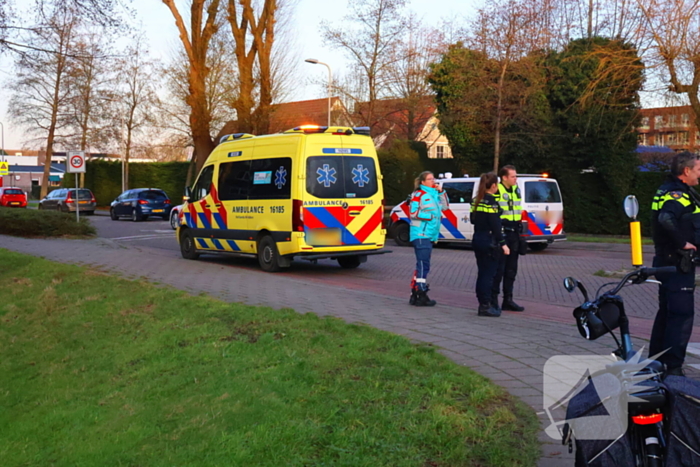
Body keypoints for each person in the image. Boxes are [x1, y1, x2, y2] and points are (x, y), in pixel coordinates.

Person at [649, 151, 700, 377]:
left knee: (667, 313)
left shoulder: (669, 190)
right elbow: (666, 219)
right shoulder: (677, 194)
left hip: (667, 262)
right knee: (681, 315)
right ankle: (673, 368)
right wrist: (684, 243)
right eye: (698, 170)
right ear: (686, 171)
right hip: (677, 263)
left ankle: (656, 361)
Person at [471, 172, 510, 317]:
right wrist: (504, 244)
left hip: (478, 238)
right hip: (489, 241)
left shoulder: (476, 200)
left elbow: (473, 219)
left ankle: (482, 303)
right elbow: (495, 226)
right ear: (494, 185)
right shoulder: (492, 203)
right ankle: (485, 306)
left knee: (482, 273)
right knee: (489, 275)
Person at [408, 171, 449, 307]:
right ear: (422, 182)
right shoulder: (419, 195)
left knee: (423, 264)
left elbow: (445, 207)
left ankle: (415, 293)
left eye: (434, 178)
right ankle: (420, 292)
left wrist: (442, 192)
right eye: (430, 179)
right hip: (421, 234)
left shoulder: (434, 195)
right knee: (423, 264)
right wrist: (430, 217)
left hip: (429, 235)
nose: (434, 181)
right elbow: (413, 213)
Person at [492, 165, 525, 312]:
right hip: (502, 231)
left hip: (514, 232)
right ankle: (493, 300)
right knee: (499, 269)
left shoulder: (516, 189)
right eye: (513, 176)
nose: (515, 179)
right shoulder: (497, 189)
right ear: (504, 178)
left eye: (515, 176)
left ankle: (508, 300)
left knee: (511, 270)